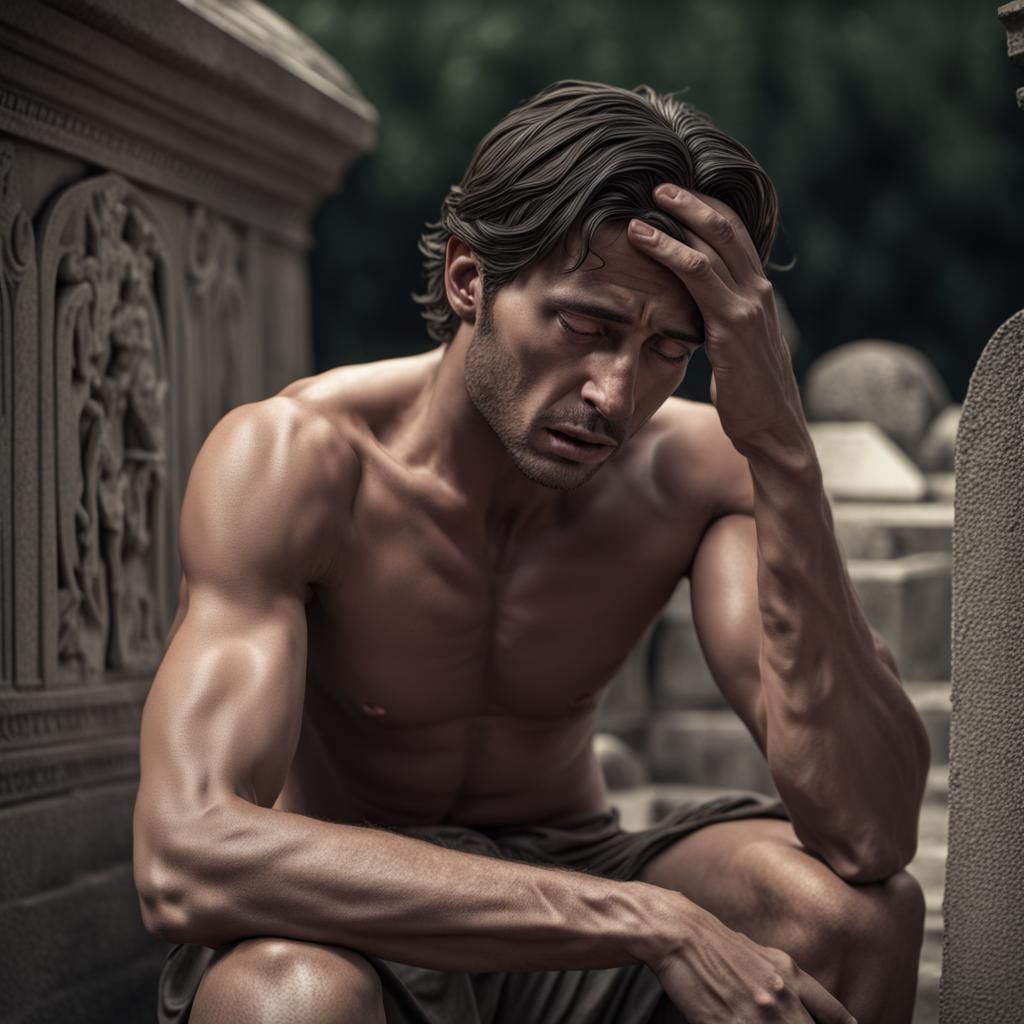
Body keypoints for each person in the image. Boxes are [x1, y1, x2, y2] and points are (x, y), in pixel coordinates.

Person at [135, 80, 930, 1024]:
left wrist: (783, 451)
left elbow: (869, 832)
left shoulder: (699, 472)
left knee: (854, 917)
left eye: (668, 351)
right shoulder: (298, 461)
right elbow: (184, 853)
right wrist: (644, 920)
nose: (614, 393)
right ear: (469, 278)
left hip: (572, 857)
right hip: (356, 900)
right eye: (586, 327)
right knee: (286, 996)